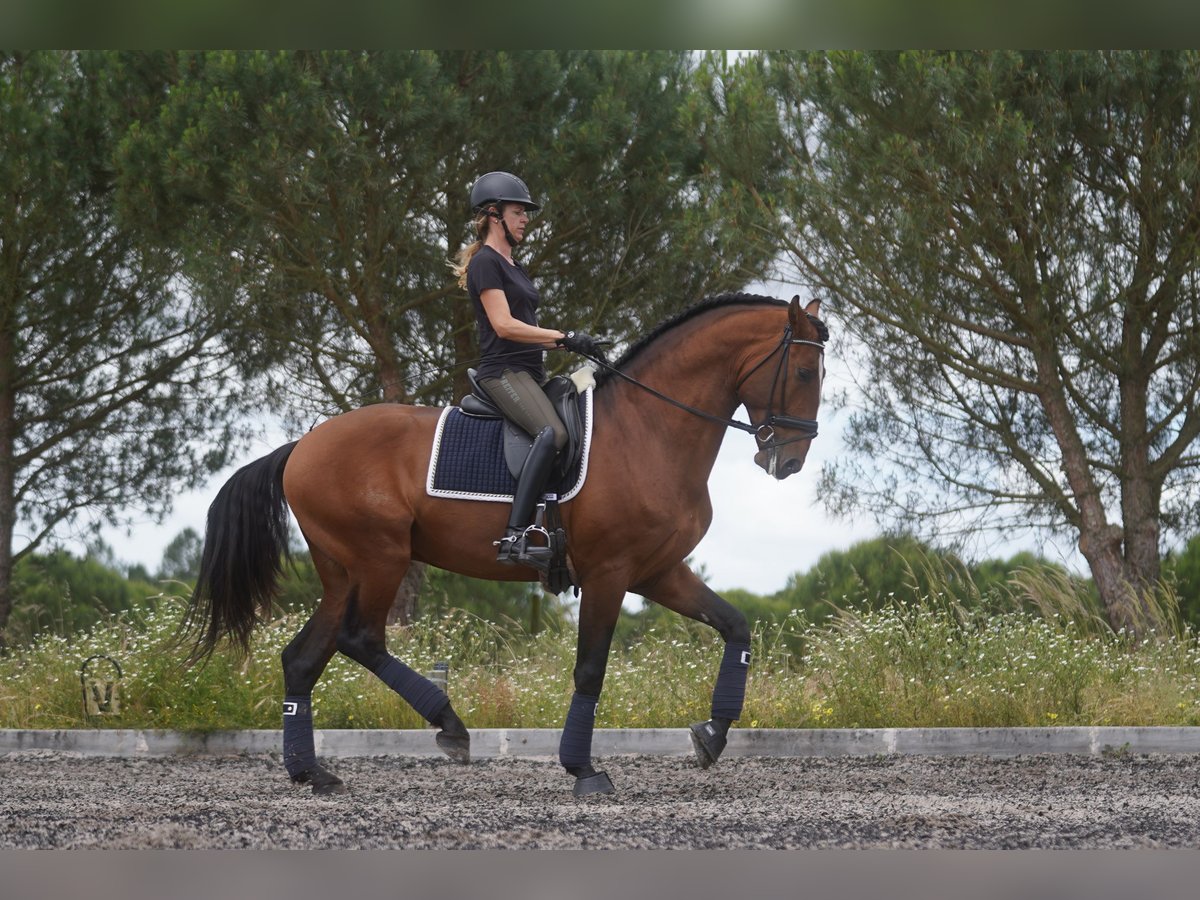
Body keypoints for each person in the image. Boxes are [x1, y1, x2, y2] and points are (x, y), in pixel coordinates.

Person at [453, 171, 604, 568]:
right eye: (518, 212)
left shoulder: (513, 265)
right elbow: (504, 326)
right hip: (502, 373)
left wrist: (574, 342)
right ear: (493, 215)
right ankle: (515, 534)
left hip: (530, 372)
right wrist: (563, 335)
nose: (525, 220)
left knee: (581, 410)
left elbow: (528, 329)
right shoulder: (486, 263)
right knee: (550, 433)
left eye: (525, 214)